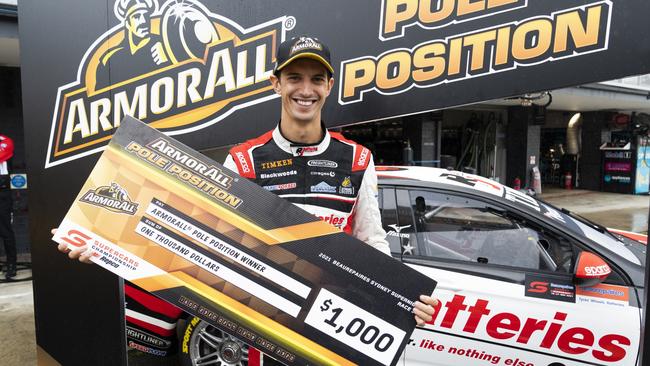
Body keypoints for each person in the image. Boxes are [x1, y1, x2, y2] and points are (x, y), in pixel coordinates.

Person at [0, 134, 17, 279]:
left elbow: (5, 149)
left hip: (2, 193)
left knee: (6, 231)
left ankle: (12, 265)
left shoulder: (5, 141)